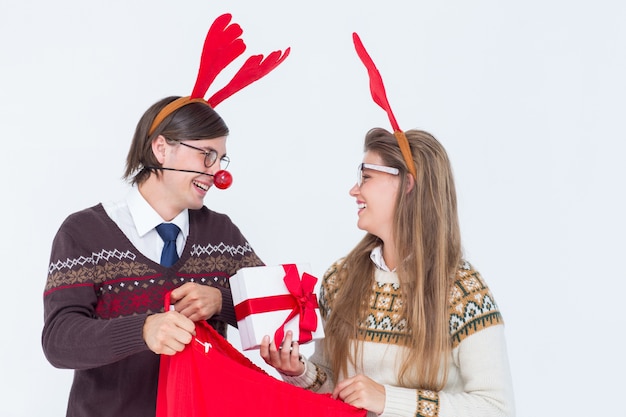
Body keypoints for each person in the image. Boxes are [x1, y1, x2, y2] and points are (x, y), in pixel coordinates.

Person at [42, 13, 289, 417]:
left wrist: (221, 300)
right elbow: (59, 340)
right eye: (206, 154)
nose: (217, 170)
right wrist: (142, 330)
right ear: (161, 149)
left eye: (221, 157)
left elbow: (277, 315)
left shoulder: (221, 233)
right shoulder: (83, 232)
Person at [260, 127, 515, 417]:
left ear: (407, 184)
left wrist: (387, 399)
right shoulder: (340, 279)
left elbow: (497, 408)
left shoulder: (462, 290)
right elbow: (337, 390)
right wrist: (300, 372)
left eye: (365, 177)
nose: (354, 190)